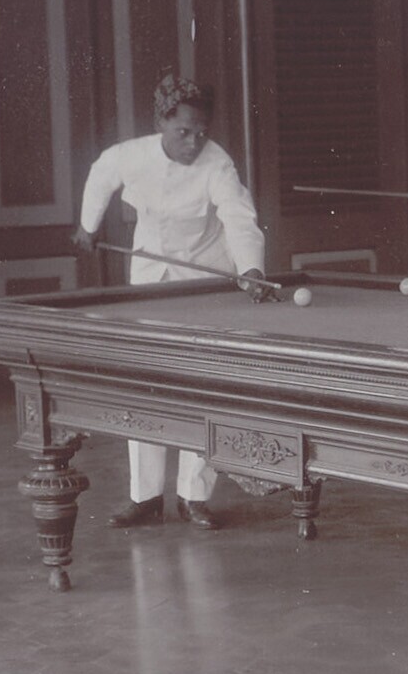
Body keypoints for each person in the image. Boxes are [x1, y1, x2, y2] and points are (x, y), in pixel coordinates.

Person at [72, 72, 270, 531]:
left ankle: (193, 497)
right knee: (145, 382)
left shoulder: (218, 164)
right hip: (149, 274)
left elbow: (238, 217)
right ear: (160, 122)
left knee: (203, 383)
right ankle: (144, 498)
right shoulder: (131, 154)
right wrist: (88, 225)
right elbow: (102, 173)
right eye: (183, 131)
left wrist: (251, 269)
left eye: (201, 132)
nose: (193, 142)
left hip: (205, 276)